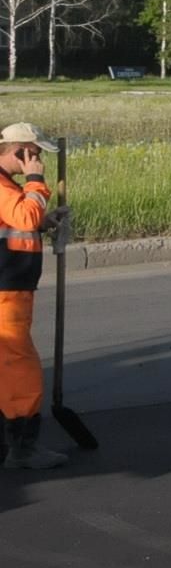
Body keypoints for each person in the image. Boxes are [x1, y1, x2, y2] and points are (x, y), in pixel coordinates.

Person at [0, 122, 64, 469]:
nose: (38, 160)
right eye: (36, 154)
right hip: (6, 290)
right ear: (21, 151)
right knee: (19, 365)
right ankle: (23, 448)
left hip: (10, 285)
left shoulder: (6, 186)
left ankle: (8, 443)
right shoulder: (4, 185)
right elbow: (22, 214)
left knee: (4, 366)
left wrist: (43, 221)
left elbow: (19, 222)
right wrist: (36, 182)